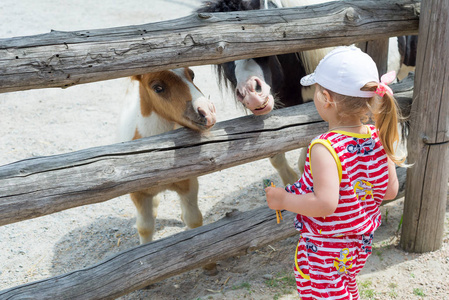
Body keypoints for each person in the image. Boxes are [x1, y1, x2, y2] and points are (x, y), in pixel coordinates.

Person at [265, 45, 405, 299]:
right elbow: (390, 191)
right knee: (346, 289)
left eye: (316, 90)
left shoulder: (324, 147)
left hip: (325, 249)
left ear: (327, 99)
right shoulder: (377, 136)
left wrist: (282, 199)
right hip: (360, 245)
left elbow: (325, 204)